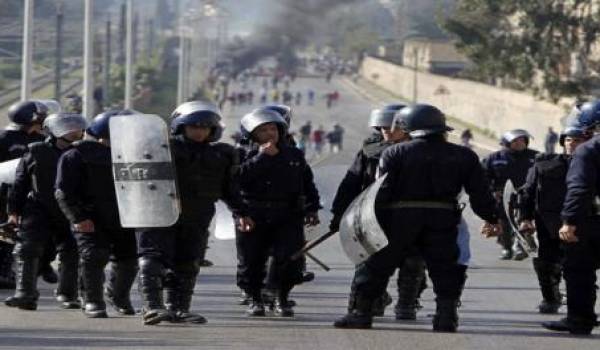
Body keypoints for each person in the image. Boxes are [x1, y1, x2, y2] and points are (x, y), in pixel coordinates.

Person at [333, 104, 500, 332]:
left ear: (408, 127)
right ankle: (446, 318)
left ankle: (361, 314)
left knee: (376, 267)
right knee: (446, 268)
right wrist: (492, 217)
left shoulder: (394, 152)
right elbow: (481, 193)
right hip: (443, 219)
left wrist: (372, 225)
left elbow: (380, 192)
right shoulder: (465, 155)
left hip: (399, 219)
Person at [137, 101, 252, 325]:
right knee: (153, 260)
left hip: (197, 215)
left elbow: (229, 189)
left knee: (188, 262)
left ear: (213, 130)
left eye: (205, 127)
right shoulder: (161, 148)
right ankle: (152, 307)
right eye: (194, 126)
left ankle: (179, 309)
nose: (199, 131)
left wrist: (241, 213)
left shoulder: (222, 154)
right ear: (182, 126)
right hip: (158, 212)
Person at [236, 109, 320, 317]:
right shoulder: (242, 154)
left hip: (288, 214)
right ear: (253, 134)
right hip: (253, 213)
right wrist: (262, 157)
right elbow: (237, 180)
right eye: (263, 130)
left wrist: (312, 207)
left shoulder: (294, 154)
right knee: (251, 261)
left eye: (273, 128)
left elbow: (307, 183)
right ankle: (256, 299)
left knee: (290, 258)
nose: (270, 133)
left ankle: (281, 297)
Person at [55, 110, 138, 318]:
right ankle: (92, 299)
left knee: (129, 259)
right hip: (91, 217)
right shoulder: (77, 155)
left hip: (127, 216)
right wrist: (78, 218)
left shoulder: (139, 156)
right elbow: (63, 192)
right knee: (94, 256)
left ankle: (119, 296)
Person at [4, 113, 87, 311]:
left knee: (72, 251)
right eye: (68, 127)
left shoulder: (83, 152)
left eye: (77, 127)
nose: (75, 131)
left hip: (71, 208)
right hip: (38, 207)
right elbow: (20, 182)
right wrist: (13, 212)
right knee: (27, 248)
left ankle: (69, 294)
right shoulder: (36, 150)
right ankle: (25, 294)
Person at [543, 100, 600, 335]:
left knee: (579, 270)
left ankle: (580, 320)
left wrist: (569, 221)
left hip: (593, 223)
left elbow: (579, 189)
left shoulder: (588, 150)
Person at [518, 126, 587, 315]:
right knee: (547, 263)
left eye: (577, 140)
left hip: (583, 222)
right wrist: (525, 217)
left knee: (579, 266)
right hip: (548, 221)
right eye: (568, 140)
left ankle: (580, 306)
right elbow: (528, 192)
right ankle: (550, 298)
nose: (572, 143)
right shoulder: (544, 164)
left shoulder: (593, 165)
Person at [0, 101, 48, 289]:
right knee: (7, 231)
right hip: (4, 192)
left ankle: (42, 266)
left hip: (31, 193)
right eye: (39, 116)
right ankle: (4, 272)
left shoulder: (41, 138)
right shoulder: (4, 138)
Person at [482, 129, 538, 260]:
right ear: (507, 142)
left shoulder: (535, 157)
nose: (520, 143)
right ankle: (506, 247)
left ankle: (520, 246)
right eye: (515, 141)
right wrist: (492, 190)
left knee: (523, 220)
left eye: (522, 140)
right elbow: (483, 177)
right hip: (503, 195)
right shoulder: (494, 158)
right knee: (504, 222)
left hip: (526, 195)